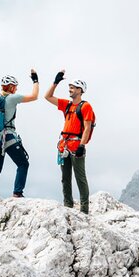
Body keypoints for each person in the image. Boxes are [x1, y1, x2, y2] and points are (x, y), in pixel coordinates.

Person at [44, 69, 95, 214]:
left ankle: (84, 210)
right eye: (70, 87)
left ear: (80, 90)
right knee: (65, 178)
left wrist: (82, 145)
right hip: (64, 146)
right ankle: (68, 205)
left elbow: (87, 127)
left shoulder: (85, 106)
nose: (70, 89)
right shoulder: (67, 105)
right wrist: (55, 82)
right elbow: (47, 96)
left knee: (80, 178)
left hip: (76, 145)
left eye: (73, 87)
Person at [0, 69, 39, 197]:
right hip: (9, 136)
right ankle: (17, 193)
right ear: (10, 87)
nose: (16, 89)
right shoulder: (11, 98)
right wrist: (35, 80)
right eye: (15, 87)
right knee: (23, 163)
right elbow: (34, 96)